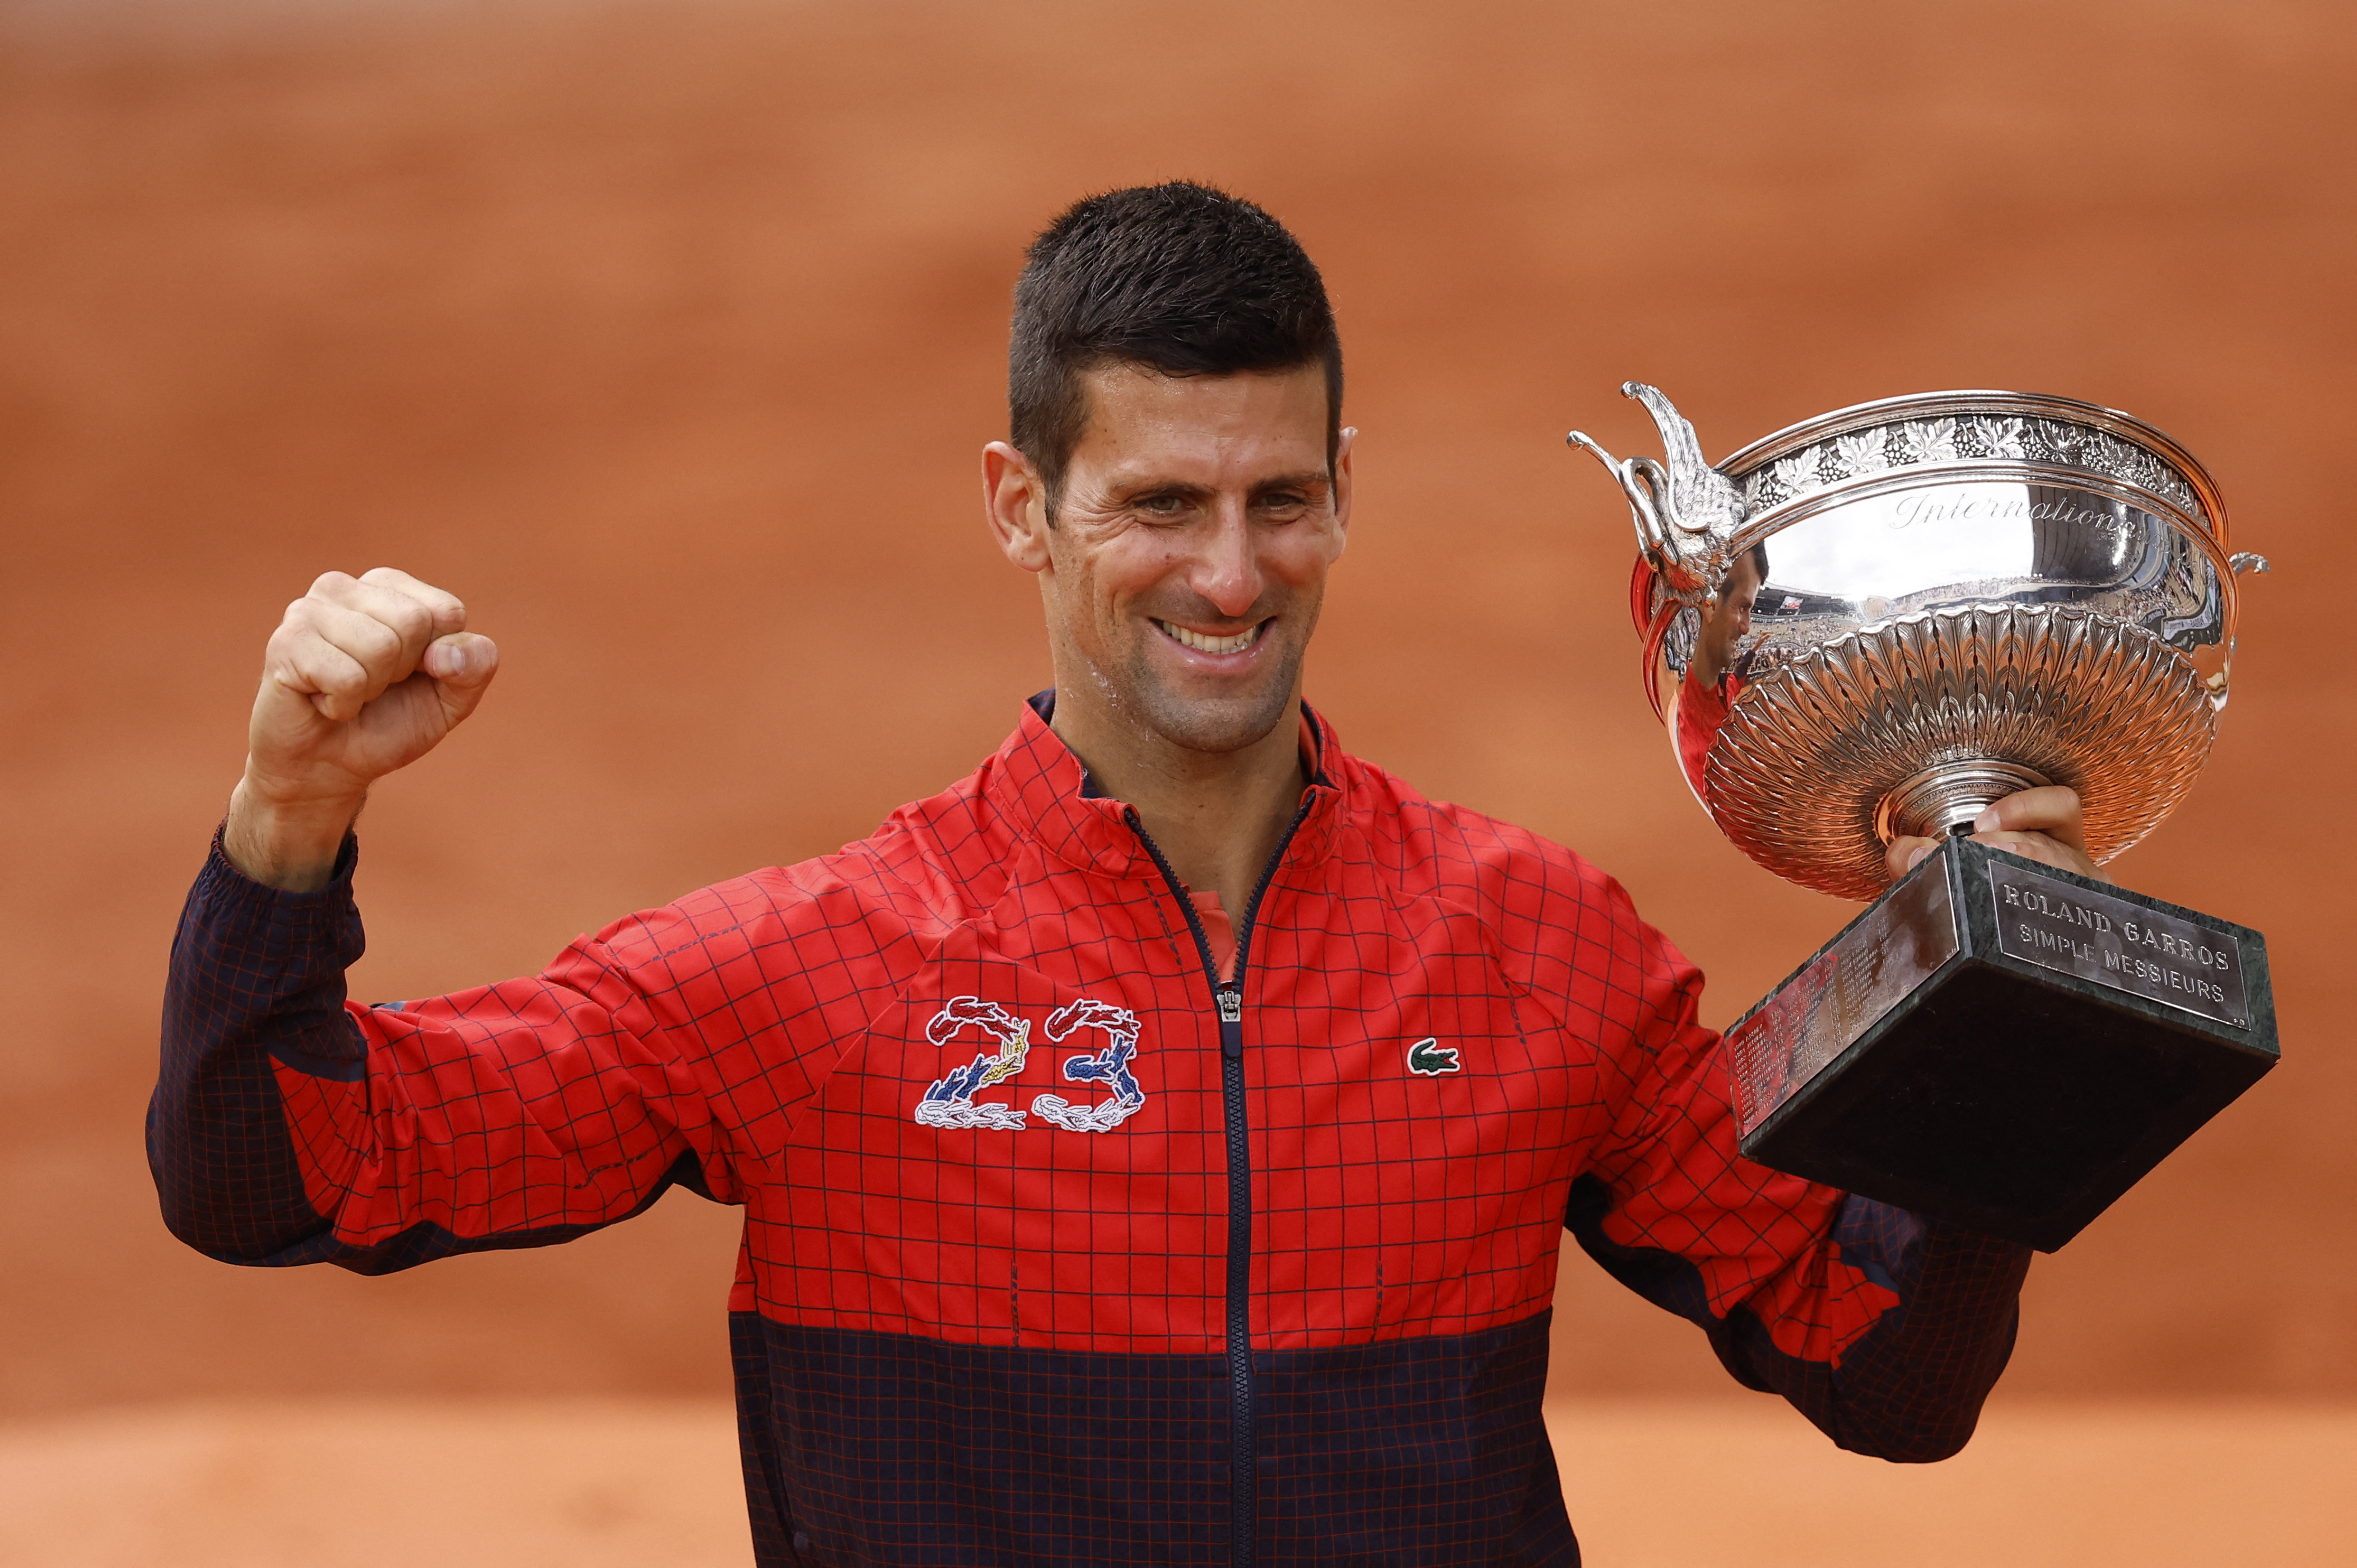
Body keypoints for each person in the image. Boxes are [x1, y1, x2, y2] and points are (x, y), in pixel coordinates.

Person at [153, 183, 2106, 1567]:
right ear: (1024, 504)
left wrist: (1990, 993)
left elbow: (1884, 1363)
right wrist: (284, 826)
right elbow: (280, 1169)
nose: (1232, 577)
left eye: (1280, 500)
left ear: (1347, 489)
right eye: (1160, 504)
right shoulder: (815, 975)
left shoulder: (1528, 948)